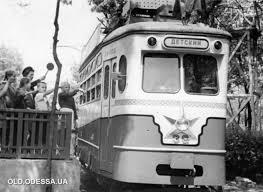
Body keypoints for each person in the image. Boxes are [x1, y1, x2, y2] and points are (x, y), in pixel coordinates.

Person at [58, 82, 84, 157]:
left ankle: (70, 151)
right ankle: (61, 150)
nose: (67, 88)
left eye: (68, 87)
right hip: (64, 113)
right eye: (66, 87)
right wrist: (77, 90)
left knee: (71, 133)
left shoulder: (71, 98)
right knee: (63, 131)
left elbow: (74, 108)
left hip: (71, 114)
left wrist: (75, 119)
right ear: (62, 88)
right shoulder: (61, 95)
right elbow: (68, 94)